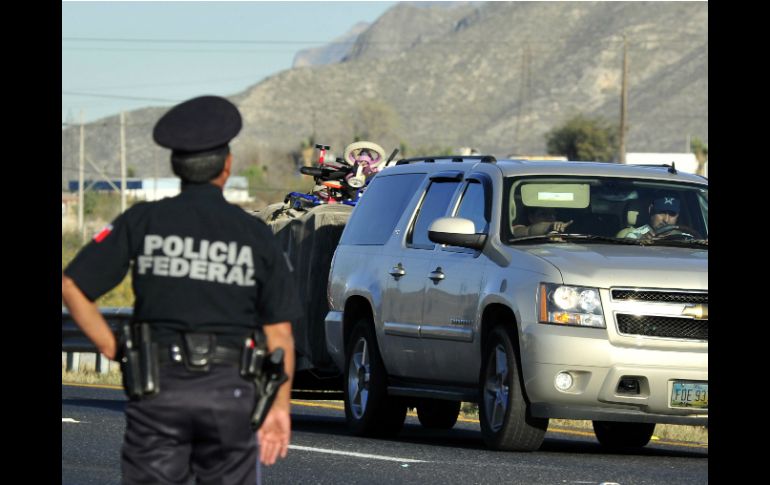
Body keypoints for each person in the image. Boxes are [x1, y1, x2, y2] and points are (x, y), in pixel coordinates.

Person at [61, 95, 301, 484]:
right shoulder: (254, 234)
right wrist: (278, 408)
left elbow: (72, 285)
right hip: (230, 392)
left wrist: (110, 347)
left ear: (177, 167)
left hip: (158, 388)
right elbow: (280, 335)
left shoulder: (144, 220)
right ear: (227, 166)